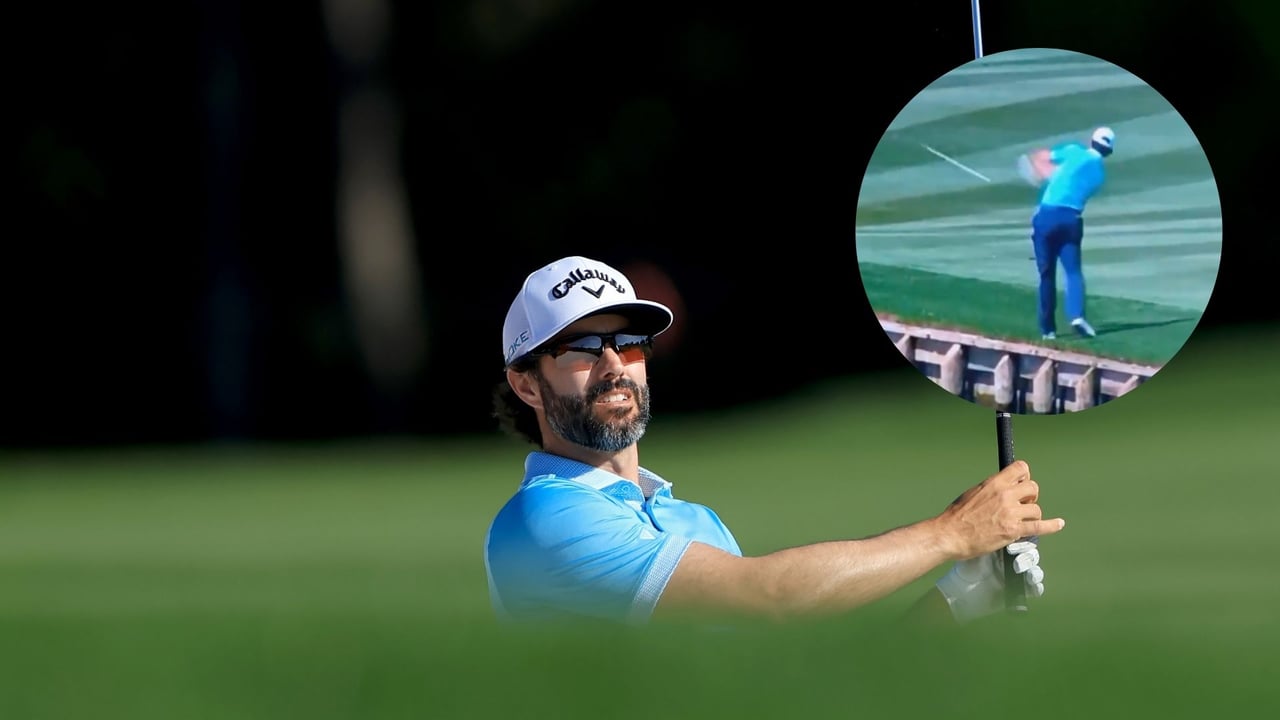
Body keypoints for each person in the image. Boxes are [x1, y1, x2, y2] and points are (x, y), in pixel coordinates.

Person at [485, 255, 1066, 626]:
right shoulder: (542, 521)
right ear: (526, 384)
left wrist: (963, 595)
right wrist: (952, 534)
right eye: (583, 349)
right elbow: (770, 599)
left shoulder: (697, 525)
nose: (615, 365)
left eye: (630, 343)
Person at [1023, 126, 1114, 340]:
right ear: (1108, 151)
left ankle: (1048, 330)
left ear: (1092, 141)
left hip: (1047, 217)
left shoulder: (1074, 151)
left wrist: (1040, 170)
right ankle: (1077, 315)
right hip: (1072, 221)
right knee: (1073, 271)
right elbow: (1072, 182)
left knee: (1047, 275)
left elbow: (1042, 156)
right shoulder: (1099, 176)